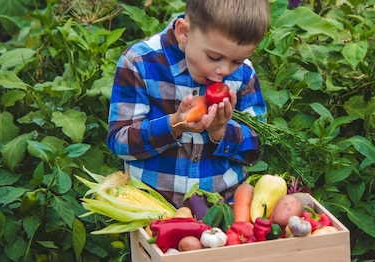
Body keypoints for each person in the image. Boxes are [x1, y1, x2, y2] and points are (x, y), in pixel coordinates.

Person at [107, 0, 269, 208]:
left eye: (236, 61)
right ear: (184, 32)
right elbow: (120, 143)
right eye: (214, 57)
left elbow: (259, 148)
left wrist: (220, 132)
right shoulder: (140, 62)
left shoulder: (244, 75)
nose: (225, 70)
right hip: (153, 210)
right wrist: (174, 124)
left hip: (222, 210)